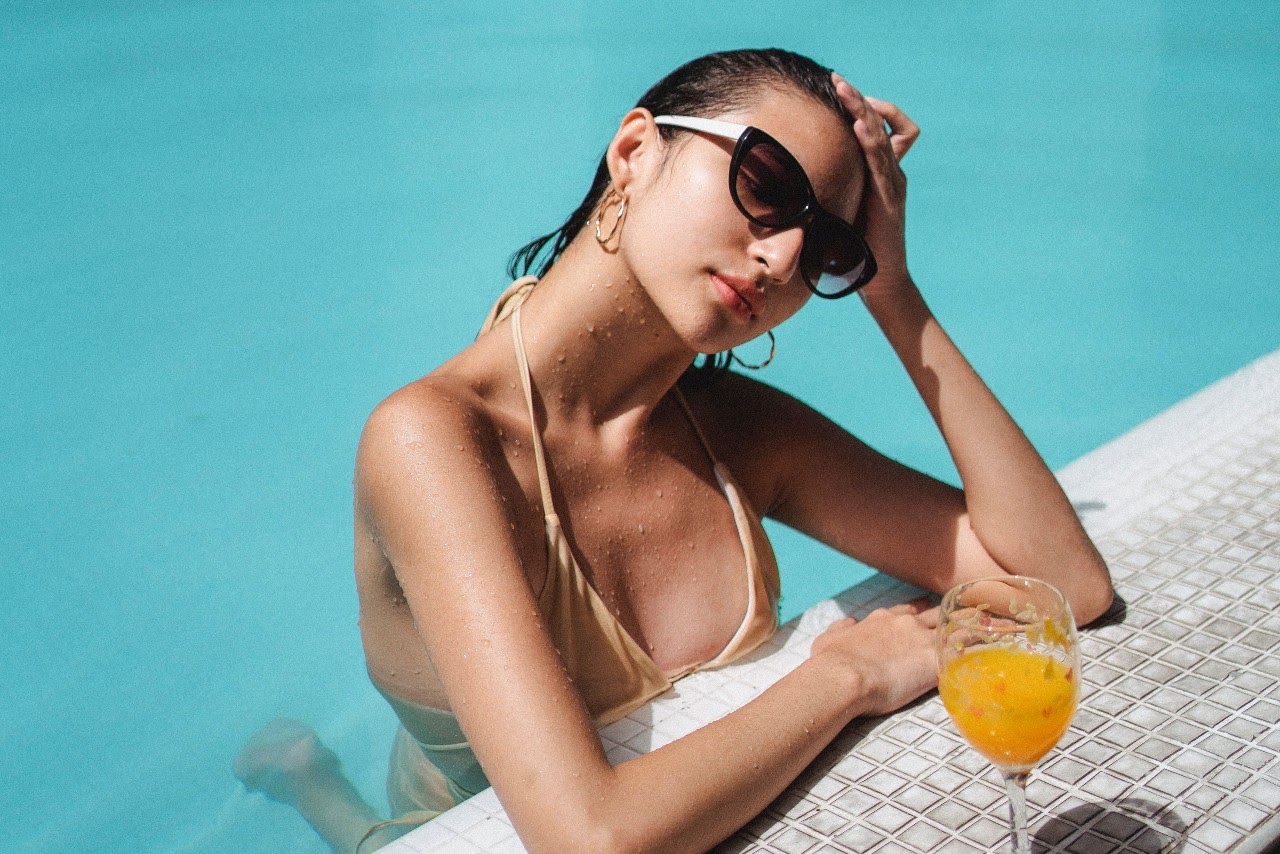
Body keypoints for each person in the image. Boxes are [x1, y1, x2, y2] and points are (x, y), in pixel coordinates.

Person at [235, 47, 1113, 853]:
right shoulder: (433, 441)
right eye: (764, 182)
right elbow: (589, 839)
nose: (780, 257)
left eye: (828, 251)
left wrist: (892, 289)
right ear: (634, 153)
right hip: (460, 816)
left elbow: (1062, 586)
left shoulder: (735, 432)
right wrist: (844, 677)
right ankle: (313, 785)